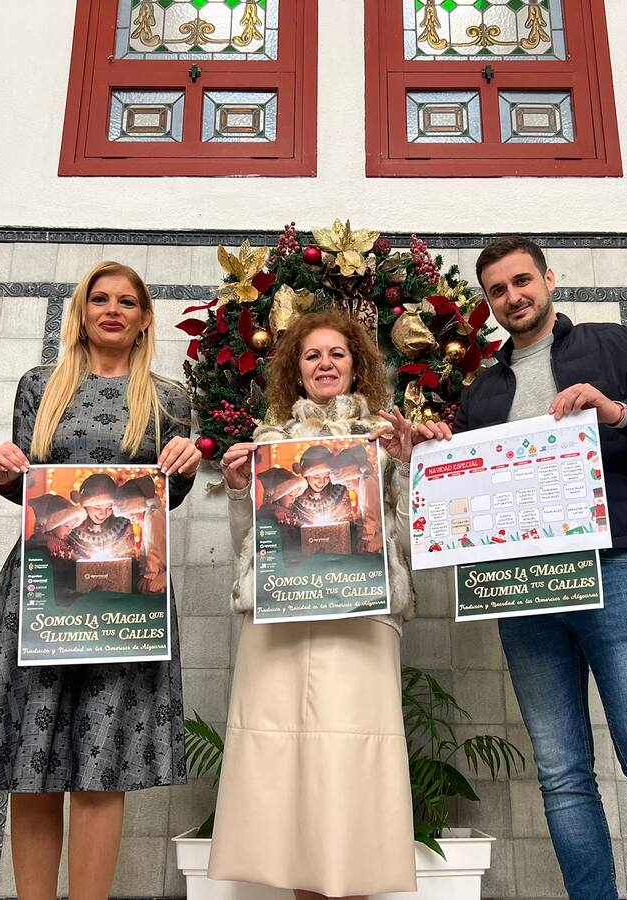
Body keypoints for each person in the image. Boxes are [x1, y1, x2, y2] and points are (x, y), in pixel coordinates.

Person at [417, 236, 627, 900]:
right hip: (521, 588)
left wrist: (617, 411)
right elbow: (462, 497)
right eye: (497, 290)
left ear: (549, 279)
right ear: (488, 303)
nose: (512, 297)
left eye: (522, 281)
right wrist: (436, 450)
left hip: (617, 571)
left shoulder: (614, 346)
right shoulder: (481, 392)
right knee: (561, 775)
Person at [0, 261, 202, 900]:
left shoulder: (169, 398)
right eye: (100, 299)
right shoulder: (41, 385)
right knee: (32, 760)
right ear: (81, 313)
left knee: (100, 764)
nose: (112, 310)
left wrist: (188, 468)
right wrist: (5, 472)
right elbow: (26, 491)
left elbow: (164, 500)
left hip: (126, 596)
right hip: (43, 590)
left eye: (127, 302)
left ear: (144, 319)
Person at [209, 310, 420, 899]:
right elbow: (249, 545)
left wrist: (405, 465)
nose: (325, 364)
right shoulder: (268, 444)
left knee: (354, 766)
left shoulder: (384, 440)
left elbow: (408, 536)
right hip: (280, 619)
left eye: (337, 353)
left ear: (357, 365)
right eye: (312, 355)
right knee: (282, 766)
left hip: (362, 616)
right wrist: (237, 491)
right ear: (296, 371)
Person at [68, 473, 136, 561]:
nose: (103, 513)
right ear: (85, 505)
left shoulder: (122, 524)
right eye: (97, 507)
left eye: (109, 508)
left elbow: (130, 559)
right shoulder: (71, 527)